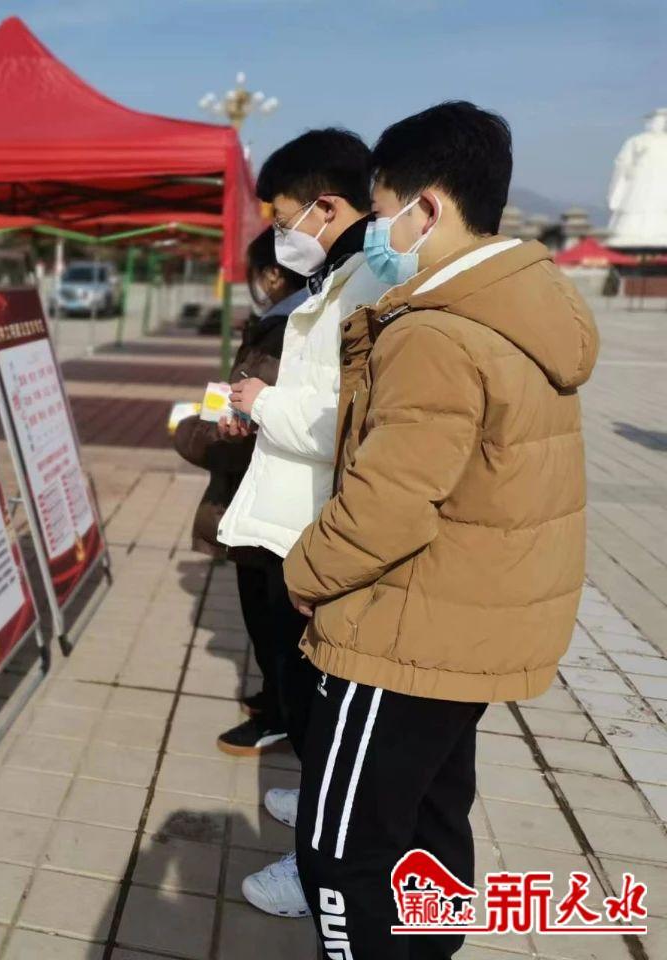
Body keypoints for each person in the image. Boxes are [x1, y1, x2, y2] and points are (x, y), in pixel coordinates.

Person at [284, 101, 598, 960]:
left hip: (400, 630)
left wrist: (304, 574)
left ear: (426, 208)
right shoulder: (527, 309)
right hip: (467, 623)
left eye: (381, 212)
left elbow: (387, 502)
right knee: (428, 826)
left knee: (341, 853)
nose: (376, 234)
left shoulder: (437, 333)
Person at [215, 128, 391, 919]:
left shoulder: (369, 284)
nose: (282, 233)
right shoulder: (341, 275)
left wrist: (264, 403)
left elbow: (350, 419)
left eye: (285, 216)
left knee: (322, 701)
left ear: (325, 206)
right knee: (304, 688)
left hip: (321, 534)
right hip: (296, 522)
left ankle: (321, 867)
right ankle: (319, 808)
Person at [173, 227, 307, 727]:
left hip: (259, 502)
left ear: (271, 274)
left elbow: (245, 429)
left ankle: (282, 716)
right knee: (268, 617)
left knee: (272, 619)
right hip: (261, 501)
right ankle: (277, 700)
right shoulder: (285, 324)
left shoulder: (286, 332)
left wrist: (190, 434)